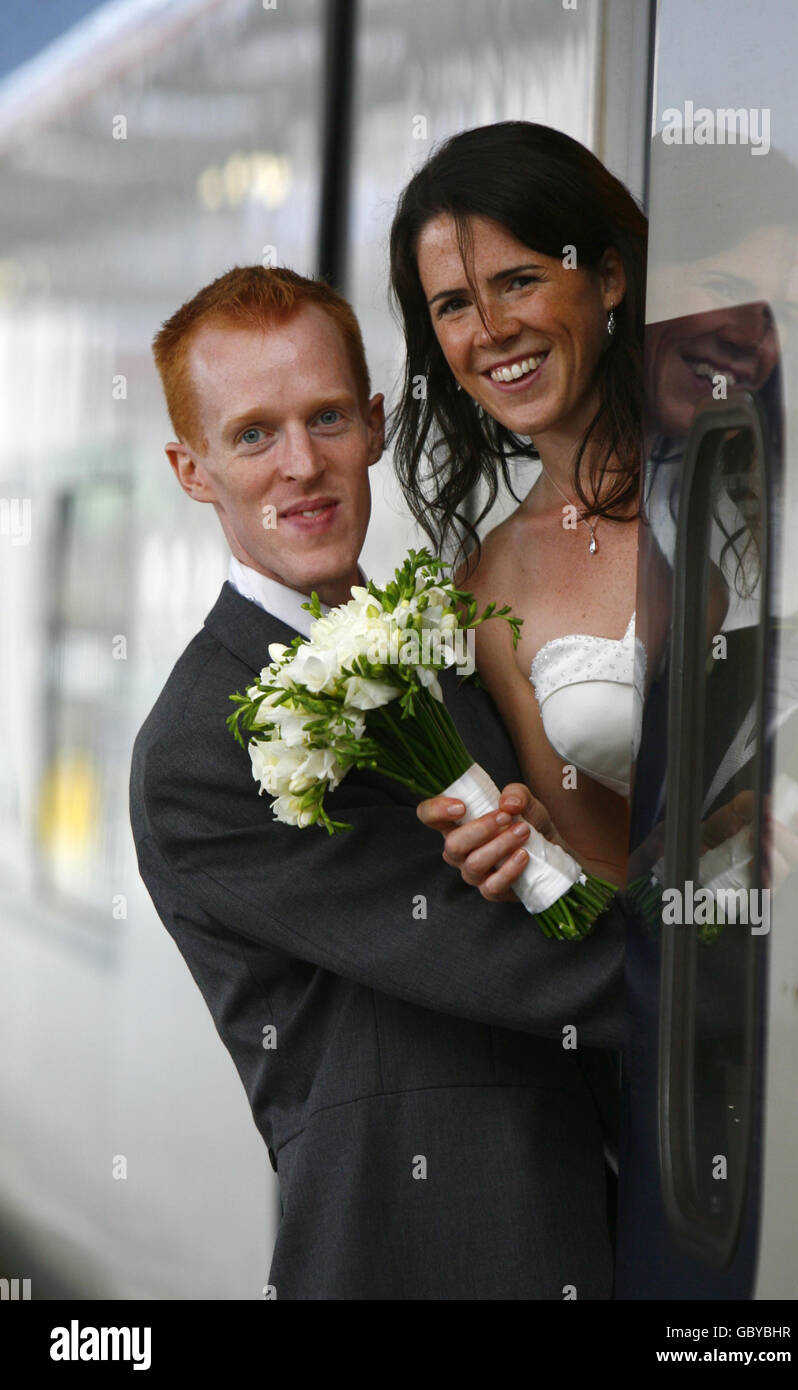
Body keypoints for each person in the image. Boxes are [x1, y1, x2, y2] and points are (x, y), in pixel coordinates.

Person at [129, 263, 628, 1301]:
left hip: (606, 1221)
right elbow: (529, 968)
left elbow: (559, 872)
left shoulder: (437, 635)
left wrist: (546, 850)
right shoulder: (203, 747)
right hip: (433, 1258)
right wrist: (757, 968)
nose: (301, 465)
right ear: (191, 468)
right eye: (254, 434)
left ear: (374, 423)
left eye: (325, 418)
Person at [389, 122, 648, 890]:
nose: (492, 332)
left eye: (518, 281)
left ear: (607, 277)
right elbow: (609, 869)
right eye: (453, 305)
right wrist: (533, 846)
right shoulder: (484, 591)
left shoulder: (742, 458)